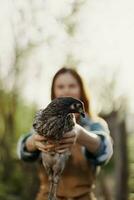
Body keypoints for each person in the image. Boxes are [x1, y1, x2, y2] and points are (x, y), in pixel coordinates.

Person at [17, 67, 113, 200]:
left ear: (81, 90)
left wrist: (80, 134)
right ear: (54, 92)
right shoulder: (44, 119)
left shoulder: (94, 124)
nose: (66, 90)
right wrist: (33, 141)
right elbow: (22, 151)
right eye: (60, 86)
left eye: (72, 86)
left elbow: (105, 150)